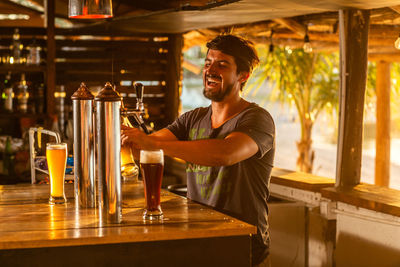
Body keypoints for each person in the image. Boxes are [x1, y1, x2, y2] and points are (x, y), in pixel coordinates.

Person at [121, 34, 275, 266]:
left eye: (222, 64)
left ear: (243, 75)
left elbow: (225, 153)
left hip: (243, 243)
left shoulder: (257, 119)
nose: (210, 70)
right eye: (207, 63)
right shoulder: (193, 118)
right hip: (200, 237)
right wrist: (123, 136)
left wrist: (151, 143)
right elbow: (145, 147)